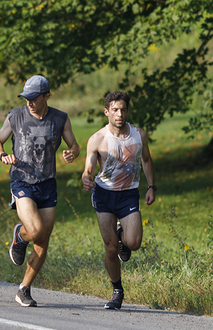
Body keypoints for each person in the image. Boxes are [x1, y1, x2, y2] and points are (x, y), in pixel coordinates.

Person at [0, 74, 80, 307]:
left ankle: (24, 289)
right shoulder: (16, 116)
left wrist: (73, 152)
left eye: (34, 98)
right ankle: (20, 236)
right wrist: (3, 155)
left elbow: (74, 144)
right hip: (22, 181)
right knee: (35, 229)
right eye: (26, 97)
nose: (29, 102)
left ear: (47, 96)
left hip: (47, 184)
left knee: (43, 239)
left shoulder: (60, 119)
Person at [81, 91, 156, 310]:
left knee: (133, 243)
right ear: (107, 112)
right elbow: (88, 169)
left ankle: (123, 233)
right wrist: (86, 179)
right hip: (104, 195)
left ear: (128, 111)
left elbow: (147, 160)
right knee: (111, 249)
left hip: (128, 194)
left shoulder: (139, 135)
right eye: (114, 110)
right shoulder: (97, 139)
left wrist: (151, 186)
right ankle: (117, 290)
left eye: (123, 109)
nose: (119, 114)